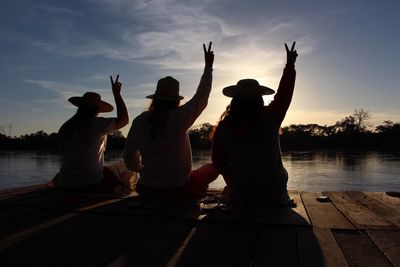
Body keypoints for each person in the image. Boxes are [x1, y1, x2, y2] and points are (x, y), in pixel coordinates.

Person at [123, 42, 218, 200]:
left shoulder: (139, 121)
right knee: (213, 168)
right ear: (176, 100)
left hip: (146, 188)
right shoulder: (180, 117)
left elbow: (129, 158)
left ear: (155, 99)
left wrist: (142, 170)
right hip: (178, 190)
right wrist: (208, 67)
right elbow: (202, 96)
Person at [212, 42, 298, 205]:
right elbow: (284, 95)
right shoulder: (271, 116)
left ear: (235, 100)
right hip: (275, 196)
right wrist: (290, 65)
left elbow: (218, 163)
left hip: (241, 194)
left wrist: (234, 183)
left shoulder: (225, 126)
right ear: (259, 98)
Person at [53, 75, 130, 194]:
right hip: (89, 184)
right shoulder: (96, 124)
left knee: (106, 170)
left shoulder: (65, 126)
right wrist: (117, 94)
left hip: (64, 183)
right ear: (98, 109)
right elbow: (124, 119)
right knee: (125, 167)